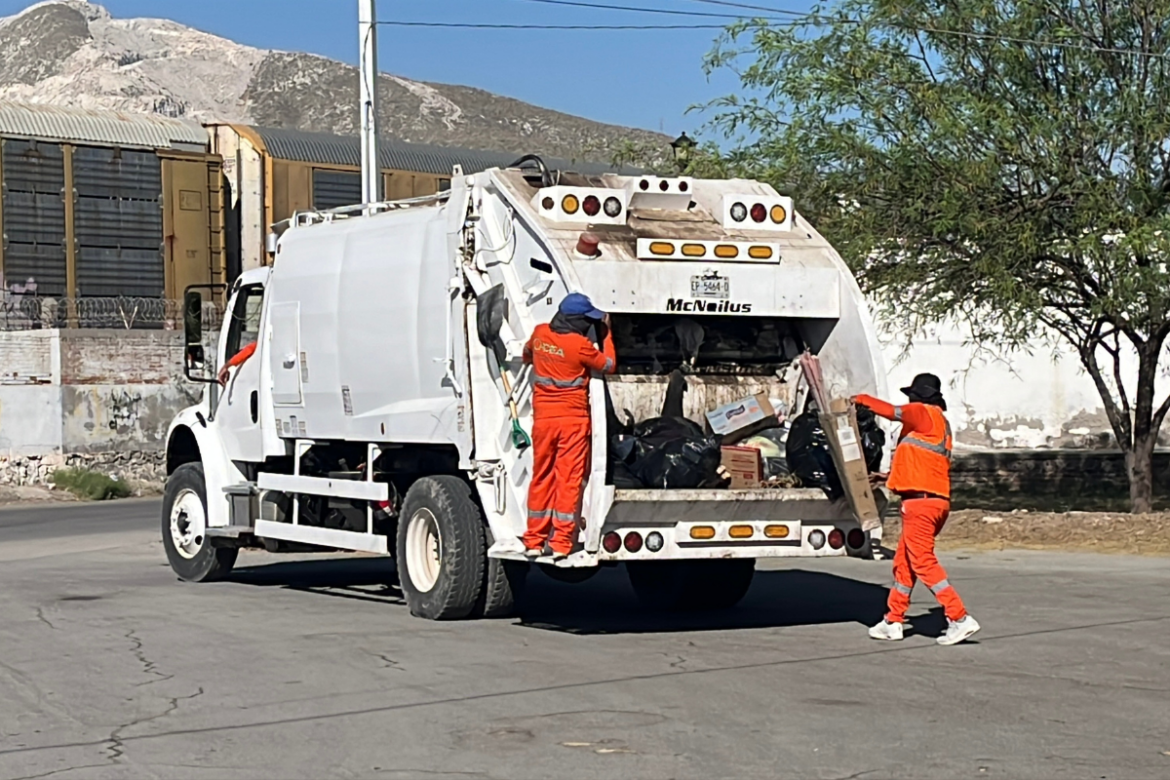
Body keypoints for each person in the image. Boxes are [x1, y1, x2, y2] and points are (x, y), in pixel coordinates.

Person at [853, 373, 981, 646]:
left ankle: (959, 617)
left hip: (921, 504)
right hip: (932, 500)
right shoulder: (937, 423)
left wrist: (859, 399)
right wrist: (888, 477)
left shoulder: (923, 413)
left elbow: (891, 411)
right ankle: (893, 620)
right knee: (905, 563)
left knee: (922, 561)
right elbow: (923, 464)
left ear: (918, 396)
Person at [522, 293, 617, 560]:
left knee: (541, 476)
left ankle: (534, 541)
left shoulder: (540, 333)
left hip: (544, 420)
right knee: (568, 480)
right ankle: (561, 544)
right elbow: (609, 365)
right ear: (577, 321)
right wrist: (606, 333)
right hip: (572, 422)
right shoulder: (580, 346)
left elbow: (527, 355)